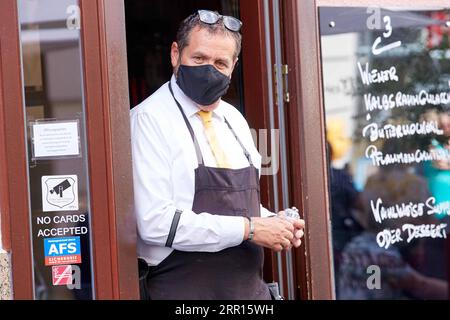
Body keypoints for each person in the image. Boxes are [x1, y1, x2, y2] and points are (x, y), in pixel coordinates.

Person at [130, 10, 305, 300]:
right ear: (175, 54)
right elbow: (154, 224)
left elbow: (236, 205)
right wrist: (250, 229)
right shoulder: (148, 120)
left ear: (233, 66)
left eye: (220, 63)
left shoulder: (234, 119)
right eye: (199, 59)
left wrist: (275, 223)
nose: (209, 70)